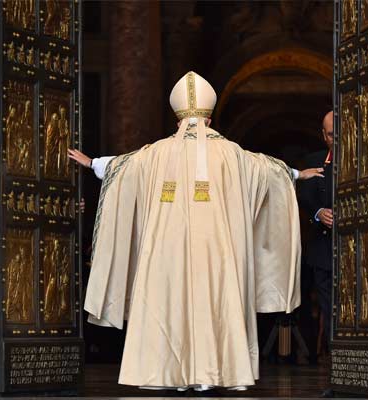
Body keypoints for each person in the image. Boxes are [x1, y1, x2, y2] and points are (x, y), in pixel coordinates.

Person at [68, 71, 324, 391]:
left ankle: (164, 374)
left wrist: (93, 162)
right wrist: (298, 173)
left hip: (165, 254)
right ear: (211, 117)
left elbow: (122, 167)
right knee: (215, 301)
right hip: (217, 251)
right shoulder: (231, 152)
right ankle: (211, 375)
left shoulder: (155, 152)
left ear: (177, 119)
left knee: (167, 302)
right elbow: (268, 170)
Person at [299, 111, 334, 359]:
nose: (338, 138)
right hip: (324, 250)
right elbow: (303, 197)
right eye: (332, 134)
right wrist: (319, 213)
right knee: (330, 310)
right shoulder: (314, 162)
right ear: (323, 135)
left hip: (363, 249)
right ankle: (339, 372)